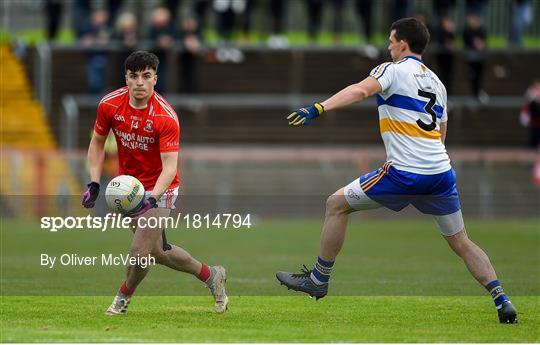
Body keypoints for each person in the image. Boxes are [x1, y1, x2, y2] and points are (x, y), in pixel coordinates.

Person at [276, 18, 517, 324]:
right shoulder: (437, 84)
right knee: (461, 241)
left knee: (335, 205)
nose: (388, 46)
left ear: (403, 44)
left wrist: (319, 108)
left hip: (405, 173)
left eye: (391, 41)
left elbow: (360, 91)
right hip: (441, 174)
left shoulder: (391, 70)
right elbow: (441, 136)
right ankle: (502, 300)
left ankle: (318, 280)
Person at [82, 51, 228, 315]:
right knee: (157, 252)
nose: (140, 82)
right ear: (126, 78)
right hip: (129, 187)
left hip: (162, 187)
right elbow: (97, 143)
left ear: (155, 79)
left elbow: (170, 167)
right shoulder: (109, 104)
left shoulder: (165, 117)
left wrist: (151, 199)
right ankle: (211, 275)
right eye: (134, 76)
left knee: (139, 252)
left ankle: (122, 299)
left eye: (146, 76)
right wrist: (94, 182)